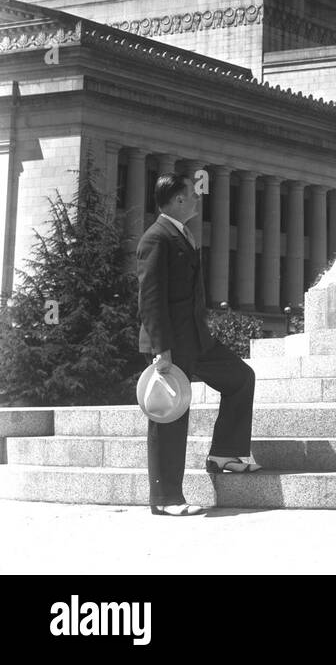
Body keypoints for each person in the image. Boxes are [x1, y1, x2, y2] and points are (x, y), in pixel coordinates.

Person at [137, 173, 259, 517]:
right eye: (191, 195)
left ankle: (226, 454)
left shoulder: (183, 235)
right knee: (169, 414)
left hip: (196, 339)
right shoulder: (156, 238)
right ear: (176, 200)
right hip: (171, 343)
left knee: (240, 377)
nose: (197, 199)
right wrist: (161, 348)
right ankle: (166, 497)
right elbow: (150, 299)